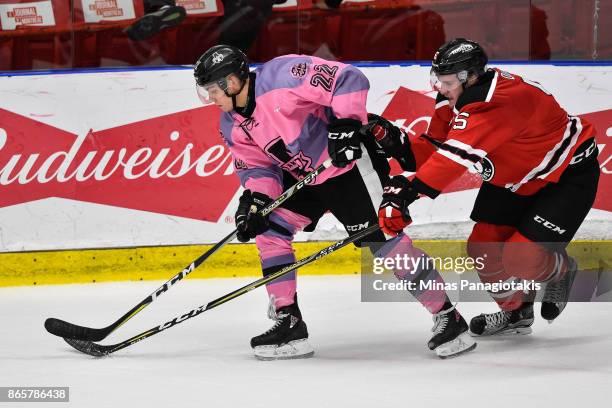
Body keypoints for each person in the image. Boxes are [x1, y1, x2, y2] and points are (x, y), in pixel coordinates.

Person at [194, 45, 476, 359]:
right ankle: (289, 322)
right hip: (304, 177)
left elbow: (348, 78)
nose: (210, 99)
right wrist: (258, 201)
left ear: (231, 83)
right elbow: (259, 167)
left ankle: (448, 316)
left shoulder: (281, 74)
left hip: (347, 168)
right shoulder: (231, 123)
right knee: (270, 230)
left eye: (211, 91)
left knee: (383, 241)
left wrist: (346, 125)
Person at [371, 38, 600, 336]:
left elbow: (455, 158)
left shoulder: (501, 100)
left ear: (471, 77)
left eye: (447, 81)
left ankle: (562, 270)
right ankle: (516, 312)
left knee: (522, 258)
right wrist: (397, 144)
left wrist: (408, 192)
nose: (440, 87)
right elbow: (437, 146)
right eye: (437, 79)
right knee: (483, 247)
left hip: (566, 176)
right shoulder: (454, 97)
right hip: (515, 177)